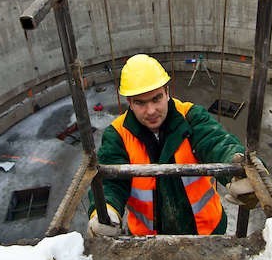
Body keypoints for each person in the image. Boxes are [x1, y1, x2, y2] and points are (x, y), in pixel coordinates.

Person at [87, 53, 257, 237]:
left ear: (167, 92)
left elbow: (215, 141)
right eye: (140, 103)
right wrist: (105, 211)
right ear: (129, 102)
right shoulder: (118, 135)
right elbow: (110, 182)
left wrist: (237, 168)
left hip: (205, 232)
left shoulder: (190, 117)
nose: (151, 111)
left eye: (156, 98)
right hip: (149, 241)